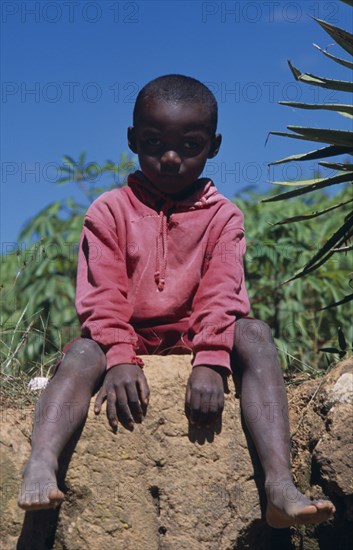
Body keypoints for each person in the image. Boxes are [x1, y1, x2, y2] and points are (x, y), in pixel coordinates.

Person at [18, 74, 335, 528]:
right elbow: (102, 295)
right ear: (132, 139)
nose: (170, 157)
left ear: (215, 145)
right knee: (85, 350)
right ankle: (41, 460)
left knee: (255, 333)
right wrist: (120, 356)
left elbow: (223, 292)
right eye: (153, 142)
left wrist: (210, 357)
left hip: (195, 336)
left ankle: (279, 483)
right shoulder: (109, 211)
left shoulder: (224, 216)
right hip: (121, 338)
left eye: (190, 145)